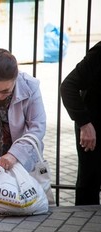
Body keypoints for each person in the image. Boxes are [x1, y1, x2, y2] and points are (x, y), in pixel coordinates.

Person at [60, 41, 100, 205]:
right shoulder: (99, 54)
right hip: (94, 129)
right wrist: (84, 123)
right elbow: (68, 86)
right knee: (89, 184)